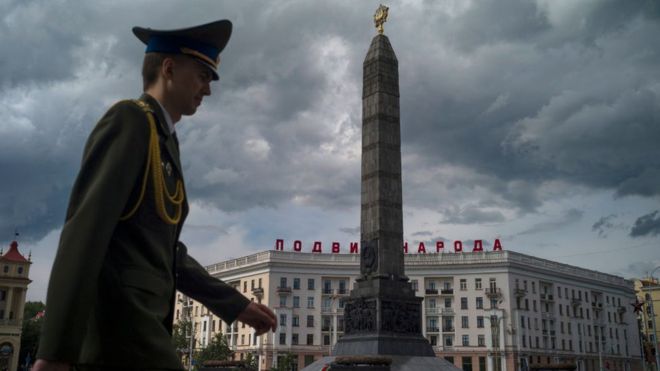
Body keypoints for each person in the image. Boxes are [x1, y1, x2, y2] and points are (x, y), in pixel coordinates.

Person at [33, 20, 276, 370]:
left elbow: (167, 253)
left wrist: (235, 304)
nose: (208, 90)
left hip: (142, 333)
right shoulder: (129, 121)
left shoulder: (165, 142)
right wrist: (55, 352)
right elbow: (84, 233)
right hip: (118, 334)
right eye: (203, 75)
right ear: (169, 68)